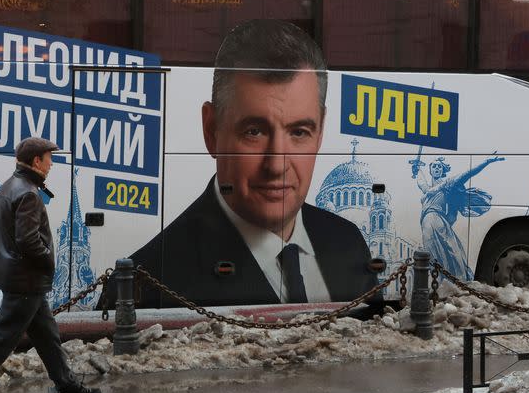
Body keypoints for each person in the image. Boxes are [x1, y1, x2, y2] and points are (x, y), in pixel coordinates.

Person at [126, 19, 379, 312]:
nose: (276, 166)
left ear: (320, 133)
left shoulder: (348, 241)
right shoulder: (148, 281)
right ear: (211, 131)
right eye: (254, 132)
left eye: (299, 132)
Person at [0, 137, 102, 393]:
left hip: (20, 278)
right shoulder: (28, 194)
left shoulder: (9, 187)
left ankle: (67, 388)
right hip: (26, 280)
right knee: (4, 337)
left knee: (47, 336)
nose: (51, 164)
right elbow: (28, 240)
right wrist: (48, 259)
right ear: (36, 161)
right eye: (49, 158)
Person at [415, 155, 504, 280]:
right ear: (430, 170)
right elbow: (421, 182)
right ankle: (440, 281)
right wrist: (417, 167)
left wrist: (486, 162)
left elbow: (467, 173)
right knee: (438, 253)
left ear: (443, 170)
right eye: (433, 166)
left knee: (445, 253)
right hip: (428, 221)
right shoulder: (428, 189)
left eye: (439, 166)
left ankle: (444, 281)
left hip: (434, 220)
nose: (436, 168)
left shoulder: (447, 184)